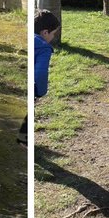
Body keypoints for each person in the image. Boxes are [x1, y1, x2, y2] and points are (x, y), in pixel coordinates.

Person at [25, 10, 60, 146]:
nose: (53, 37)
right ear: (45, 32)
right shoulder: (44, 48)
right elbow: (40, 73)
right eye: (53, 34)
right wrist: (40, 91)